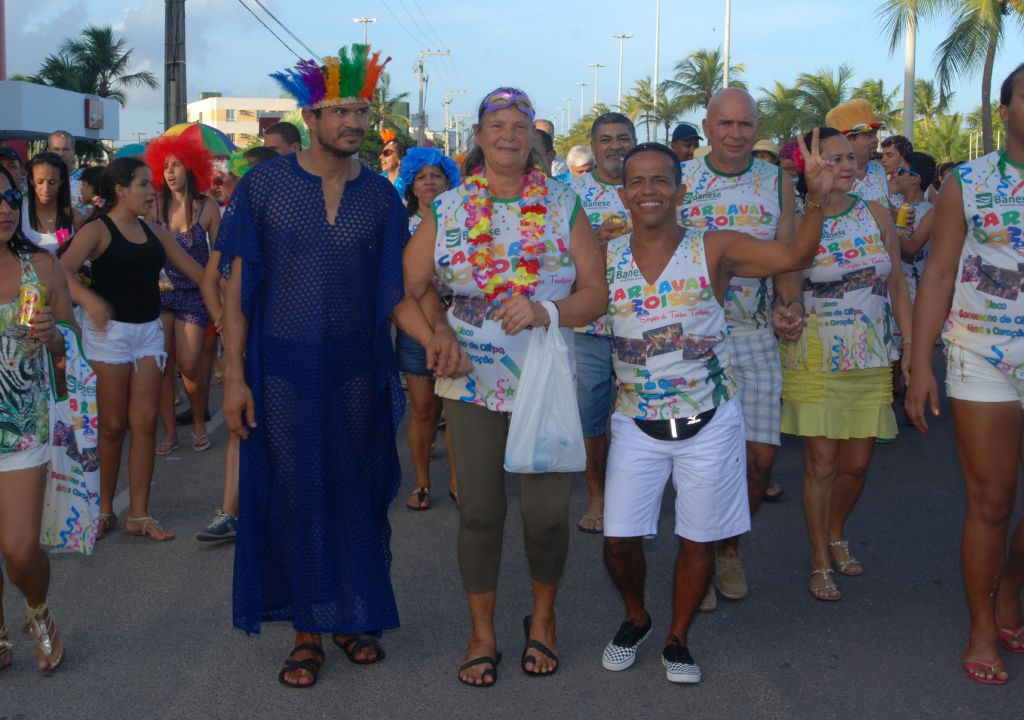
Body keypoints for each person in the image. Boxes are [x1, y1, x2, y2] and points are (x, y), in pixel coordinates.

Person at [223, 44, 435, 688]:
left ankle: (350, 614)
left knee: (356, 489)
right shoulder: (264, 187)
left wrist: (436, 342)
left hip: (356, 370)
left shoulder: (380, 198)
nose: (353, 122)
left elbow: (395, 291)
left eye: (361, 111)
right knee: (296, 492)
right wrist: (233, 376)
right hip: (282, 371)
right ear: (310, 117)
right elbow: (236, 290)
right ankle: (307, 631)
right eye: (339, 110)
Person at [599, 137, 834, 684]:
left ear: (681, 191)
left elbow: (794, 257)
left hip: (708, 420)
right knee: (617, 541)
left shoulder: (715, 247)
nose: (649, 190)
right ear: (623, 193)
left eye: (661, 180)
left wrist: (817, 198)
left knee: (698, 537)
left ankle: (678, 639)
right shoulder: (603, 254)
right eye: (637, 181)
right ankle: (636, 617)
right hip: (635, 420)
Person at [403, 86, 607, 686]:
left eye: (520, 125)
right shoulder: (450, 207)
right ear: (479, 136)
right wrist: (439, 330)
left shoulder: (564, 202)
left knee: (546, 515)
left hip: (547, 376)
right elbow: (411, 284)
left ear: (534, 138)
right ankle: (482, 632)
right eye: (497, 125)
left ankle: (543, 618)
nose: (509, 135)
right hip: (472, 379)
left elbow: (596, 292)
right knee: (480, 510)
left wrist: (546, 310)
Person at [905, 64, 1024, 686]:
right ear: (1004, 111)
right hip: (982, 352)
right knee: (992, 500)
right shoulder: (968, 183)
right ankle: (982, 625)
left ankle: (1011, 587)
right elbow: (940, 272)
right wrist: (919, 363)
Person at [778, 127, 913, 601]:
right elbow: (787, 283)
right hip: (815, 357)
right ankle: (820, 556)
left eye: (848, 158)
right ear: (810, 166)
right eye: (832, 159)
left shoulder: (876, 213)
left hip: (871, 356)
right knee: (822, 463)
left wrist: (911, 351)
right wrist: (789, 308)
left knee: (856, 466)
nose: (847, 166)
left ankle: (835, 529)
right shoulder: (796, 221)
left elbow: (897, 286)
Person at [677, 88, 798, 609]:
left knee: (760, 459)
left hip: (754, 334)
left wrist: (790, 302)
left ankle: (729, 546)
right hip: (691, 339)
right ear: (707, 127)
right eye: (724, 124)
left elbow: (789, 255)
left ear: (757, 128)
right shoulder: (682, 179)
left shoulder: (777, 181)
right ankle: (699, 556)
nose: (734, 133)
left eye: (744, 124)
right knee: (700, 460)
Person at [59, 157, 205, 542]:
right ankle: (105, 509)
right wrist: (90, 301)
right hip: (109, 335)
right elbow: (60, 270)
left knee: (144, 423)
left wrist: (227, 290)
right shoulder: (97, 230)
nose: (152, 191)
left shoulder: (155, 232)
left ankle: (138, 514)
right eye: (143, 184)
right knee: (112, 426)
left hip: (149, 333)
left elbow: (198, 273)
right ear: (120, 190)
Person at [0, 164, 74, 674]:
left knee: (20, 551)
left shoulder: (42, 268)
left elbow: (73, 351)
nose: (5, 209)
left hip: (22, 424)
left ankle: (37, 611)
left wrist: (54, 340)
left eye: (9, 199)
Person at [195, 147, 279, 542]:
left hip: (286, 338)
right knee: (241, 424)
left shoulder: (294, 221)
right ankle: (229, 512)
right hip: (247, 336)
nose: (242, 187)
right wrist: (226, 328)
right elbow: (209, 280)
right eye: (241, 180)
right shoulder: (236, 223)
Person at [567, 112, 636, 534]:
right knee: (591, 419)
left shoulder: (649, 186)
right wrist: (595, 241)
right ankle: (598, 495)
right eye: (606, 139)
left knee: (639, 415)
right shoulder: (569, 193)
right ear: (593, 147)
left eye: (623, 138)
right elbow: (552, 257)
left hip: (640, 321)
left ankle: (632, 492)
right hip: (588, 326)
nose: (615, 146)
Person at [394, 147, 461, 511]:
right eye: (421, 177)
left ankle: (457, 480)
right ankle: (422, 482)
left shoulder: (464, 220)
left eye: (437, 175)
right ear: (411, 184)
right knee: (422, 408)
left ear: (450, 181)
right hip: (414, 326)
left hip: (461, 323)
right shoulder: (399, 225)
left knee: (456, 409)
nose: (430, 182)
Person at [144, 134, 220, 454]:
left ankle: (199, 421)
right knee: (163, 365)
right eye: (165, 166)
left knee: (189, 365)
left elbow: (221, 256)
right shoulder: (153, 207)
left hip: (194, 294)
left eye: (176, 165)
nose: (170, 172)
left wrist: (220, 295)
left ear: (191, 168)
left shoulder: (207, 206)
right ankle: (171, 433)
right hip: (159, 295)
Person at [826, 99, 890, 208]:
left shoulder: (878, 169)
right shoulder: (833, 176)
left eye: (875, 134)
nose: (876, 140)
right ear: (847, 140)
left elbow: (886, 204)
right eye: (869, 135)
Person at [890, 151, 936, 300]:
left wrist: (888, 223)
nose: (895, 175)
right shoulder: (893, 205)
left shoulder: (929, 212)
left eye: (901, 171)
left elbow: (912, 248)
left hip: (913, 291)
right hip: (889, 287)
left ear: (915, 178)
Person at [23, 153, 85, 253]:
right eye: (40, 182)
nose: (46, 189)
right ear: (31, 180)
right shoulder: (18, 211)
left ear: (61, 182)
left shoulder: (75, 219)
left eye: (52, 182)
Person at [379, 130, 407, 196]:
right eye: (381, 153)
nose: (380, 157)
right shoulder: (376, 181)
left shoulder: (410, 184)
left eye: (387, 153)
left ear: (400, 159)